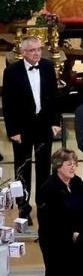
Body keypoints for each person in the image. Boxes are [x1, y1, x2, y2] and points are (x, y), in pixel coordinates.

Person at [2, 35, 61, 223]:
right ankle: (23, 208)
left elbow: (54, 97)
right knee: (22, 169)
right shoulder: (11, 72)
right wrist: (13, 131)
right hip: (22, 128)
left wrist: (55, 122)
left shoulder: (48, 67)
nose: (37, 53)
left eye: (39, 49)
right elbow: (8, 103)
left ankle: (43, 206)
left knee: (44, 168)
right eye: (32, 50)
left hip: (44, 125)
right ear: (23, 52)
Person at [36, 149, 83, 276]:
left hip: (75, 242)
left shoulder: (77, 183)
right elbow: (48, 221)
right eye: (69, 164)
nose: (73, 167)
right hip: (54, 243)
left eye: (74, 163)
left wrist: (80, 231)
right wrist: (70, 233)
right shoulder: (48, 188)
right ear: (58, 166)